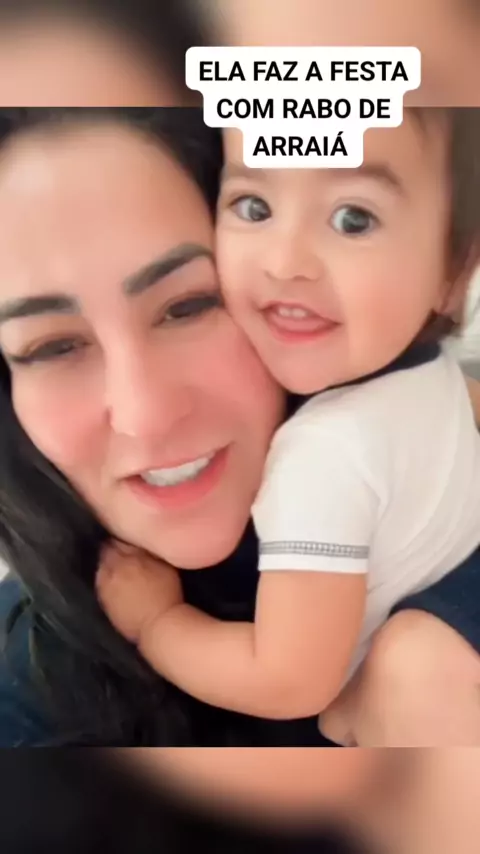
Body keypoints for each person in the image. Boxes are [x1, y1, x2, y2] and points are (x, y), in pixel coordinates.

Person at [0, 107, 479, 748]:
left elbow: (291, 680)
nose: (145, 414)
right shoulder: (32, 694)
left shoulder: (334, 451)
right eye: (53, 347)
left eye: (188, 305)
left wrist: (160, 624)